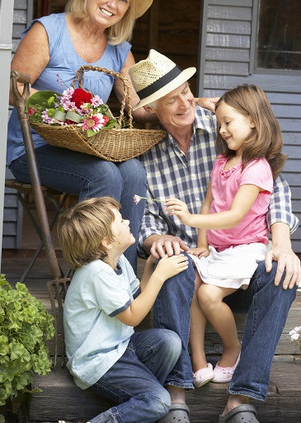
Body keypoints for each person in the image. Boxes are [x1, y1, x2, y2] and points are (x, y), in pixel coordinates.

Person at [129, 49, 301, 423]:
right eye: (170, 99)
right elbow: (144, 219)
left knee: (283, 277)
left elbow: (276, 186)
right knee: (169, 262)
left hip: (243, 253)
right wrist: (152, 240)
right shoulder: (144, 156)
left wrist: (282, 242)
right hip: (197, 261)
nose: (184, 102)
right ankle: (178, 391)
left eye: (186, 91)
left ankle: (241, 398)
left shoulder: (225, 129)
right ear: (152, 109)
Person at [6, 0, 155, 271]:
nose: (113, 4)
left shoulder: (119, 48)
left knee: (133, 172)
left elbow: (139, 106)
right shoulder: (49, 30)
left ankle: (120, 278)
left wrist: (184, 102)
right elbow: (13, 90)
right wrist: (63, 108)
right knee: (104, 174)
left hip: (85, 149)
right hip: (34, 147)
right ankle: (89, 278)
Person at [165, 85, 288, 390]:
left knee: (208, 295)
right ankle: (197, 360)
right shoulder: (222, 162)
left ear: (253, 121)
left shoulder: (257, 168)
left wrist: (191, 219)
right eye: (219, 124)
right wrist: (203, 243)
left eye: (228, 122)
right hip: (219, 249)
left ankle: (232, 348)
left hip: (246, 250)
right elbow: (210, 202)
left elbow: (235, 214)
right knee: (191, 282)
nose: (222, 130)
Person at [57, 196, 190, 423]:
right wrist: (160, 275)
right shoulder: (96, 273)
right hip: (97, 362)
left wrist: (149, 268)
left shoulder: (118, 262)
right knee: (159, 401)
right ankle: (139, 404)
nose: (128, 222)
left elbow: (137, 299)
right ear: (107, 242)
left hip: (121, 348)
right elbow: (133, 317)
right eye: (120, 221)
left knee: (170, 341)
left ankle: (139, 399)